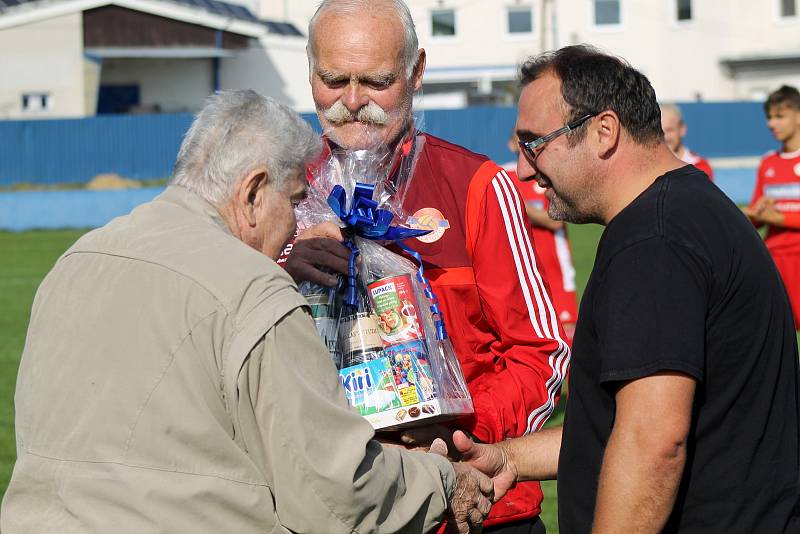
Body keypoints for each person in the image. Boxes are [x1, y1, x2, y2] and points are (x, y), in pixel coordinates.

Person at [1, 90, 499, 534]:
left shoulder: (78, 260)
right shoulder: (252, 290)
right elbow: (335, 498)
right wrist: (442, 478)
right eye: (297, 203)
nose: (296, 229)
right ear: (254, 193)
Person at [454, 45, 800, 533]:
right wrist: (505, 456)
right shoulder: (687, 210)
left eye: (535, 143)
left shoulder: (654, 241)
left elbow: (652, 441)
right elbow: (618, 426)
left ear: (604, 131)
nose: (527, 169)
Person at [283, 1, 570, 531]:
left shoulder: (477, 186)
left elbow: (542, 354)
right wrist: (281, 268)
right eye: (332, 79)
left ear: (416, 71)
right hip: (326, 509)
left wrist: (455, 436)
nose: (352, 101)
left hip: (472, 508)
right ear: (309, 72)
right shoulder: (278, 193)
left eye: (376, 80)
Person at [504, 134, 578, 343]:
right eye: (518, 141)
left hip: (555, 268)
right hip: (521, 269)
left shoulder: (549, 175)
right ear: (511, 144)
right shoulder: (503, 176)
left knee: (569, 337)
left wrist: (519, 206)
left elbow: (556, 221)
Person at [743, 85, 800, 328]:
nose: (771, 123)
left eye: (780, 116)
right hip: (775, 256)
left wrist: (779, 218)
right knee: (779, 328)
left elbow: (777, 217)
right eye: (769, 117)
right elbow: (757, 217)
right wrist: (753, 214)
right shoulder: (768, 162)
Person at [660, 103, 714, 180]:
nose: (664, 136)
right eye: (659, 131)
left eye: (669, 130)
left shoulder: (700, 167)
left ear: (682, 129)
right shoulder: (645, 168)